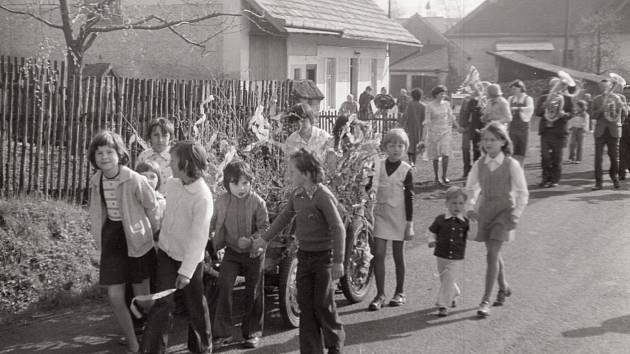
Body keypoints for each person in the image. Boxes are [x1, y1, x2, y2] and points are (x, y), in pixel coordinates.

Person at [253, 149, 346, 354]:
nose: (290, 175)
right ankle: (310, 350)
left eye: (293, 171)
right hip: (304, 257)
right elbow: (283, 218)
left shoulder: (323, 196)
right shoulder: (297, 195)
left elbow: (338, 228)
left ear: (306, 173)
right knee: (306, 305)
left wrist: (339, 260)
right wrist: (263, 239)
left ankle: (334, 343)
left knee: (323, 304)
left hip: (324, 259)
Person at [88, 131, 161, 354]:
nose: (104, 157)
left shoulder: (134, 179)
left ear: (120, 154)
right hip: (112, 239)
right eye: (99, 152)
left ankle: (158, 324)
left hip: (137, 240)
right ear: (93, 157)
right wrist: (98, 239)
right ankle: (134, 344)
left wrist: (151, 233)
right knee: (114, 296)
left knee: (144, 299)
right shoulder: (96, 180)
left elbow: (152, 207)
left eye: (109, 151)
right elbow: (97, 212)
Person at [141, 141, 213, 354]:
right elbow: (164, 211)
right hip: (166, 253)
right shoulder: (172, 184)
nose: (170, 164)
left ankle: (203, 347)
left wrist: (186, 272)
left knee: (195, 306)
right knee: (162, 303)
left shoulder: (202, 196)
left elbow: (199, 238)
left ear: (186, 164)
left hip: (189, 260)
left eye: (173, 161)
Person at [465, 122, 529, 318]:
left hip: (504, 211)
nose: (488, 143)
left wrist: (516, 215)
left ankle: (485, 300)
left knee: (492, 254)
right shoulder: (479, 164)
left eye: (493, 139)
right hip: (485, 211)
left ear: (503, 141)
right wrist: (469, 207)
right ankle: (503, 287)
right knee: (493, 252)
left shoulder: (511, 164)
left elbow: (522, 193)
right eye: (485, 139)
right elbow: (471, 188)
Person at [210, 160, 269, 349]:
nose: (241, 187)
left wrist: (252, 241)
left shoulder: (258, 202)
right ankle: (223, 332)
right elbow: (212, 223)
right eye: (235, 183)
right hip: (232, 252)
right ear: (227, 184)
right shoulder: (221, 201)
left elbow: (265, 228)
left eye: (245, 182)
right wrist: (211, 242)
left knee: (253, 291)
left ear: (251, 181)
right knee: (224, 286)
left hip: (254, 253)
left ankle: (252, 332)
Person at [367, 128, 414, 311]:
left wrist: (409, 224)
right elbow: (371, 185)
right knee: (378, 254)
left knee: (397, 255)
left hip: (399, 216)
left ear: (405, 148)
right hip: (380, 214)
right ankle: (380, 294)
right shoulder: (378, 164)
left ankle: (399, 292)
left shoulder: (406, 170)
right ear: (385, 147)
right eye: (392, 145)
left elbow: (410, 198)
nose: (396, 149)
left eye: (400, 145)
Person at [428, 186, 469, 317]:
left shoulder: (465, 222)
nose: (457, 206)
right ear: (446, 204)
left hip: (456, 256)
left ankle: (443, 305)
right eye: (454, 203)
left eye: (461, 203)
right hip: (441, 254)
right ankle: (455, 292)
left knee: (449, 277)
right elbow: (432, 231)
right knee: (445, 278)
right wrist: (431, 240)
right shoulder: (440, 219)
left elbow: (473, 234)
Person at [534, 77, 575, 188]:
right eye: (554, 86)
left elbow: (572, 113)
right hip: (546, 131)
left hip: (559, 132)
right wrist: (544, 106)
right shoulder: (544, 98)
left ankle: (554, 180)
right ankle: (545, 179)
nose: (556, 88)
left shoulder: (566, 98)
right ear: (550, 87)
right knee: (545, 157)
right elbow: (537, 112)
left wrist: (564, 114)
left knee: (557, 158)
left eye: (559, 86)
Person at [592, 79, 627, 190]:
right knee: (598, 158)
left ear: (610, 86)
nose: (604, 89)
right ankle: (598, 182)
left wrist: (622, 107)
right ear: (599, 87)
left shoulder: (619, 98)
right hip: (600, 132)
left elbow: (625, 115)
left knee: (614, 158)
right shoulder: (596, 99)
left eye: (606, 86)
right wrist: (601, 110)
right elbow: (592, 115)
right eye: (602, 87)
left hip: (614, 131)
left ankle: (614, 178)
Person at [424, 85, 460, 185]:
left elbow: (451, 116)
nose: (443, 95)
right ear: (436, 95)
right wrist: (424, 136)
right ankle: (436, 177)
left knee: (446, 153)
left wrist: (458, 127)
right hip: (434, 132)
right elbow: (427, 121)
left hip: (445, 131)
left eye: (444, 93)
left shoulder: (447, 104)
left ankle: (444, 176)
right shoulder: (429, 106)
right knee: (435, 155)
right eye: (441, 93)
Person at [136, 118, 174, 195]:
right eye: (156, 135)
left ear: (170, 138)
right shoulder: (144, 156)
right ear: (150, 137)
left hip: (171, 201)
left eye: (164, 136)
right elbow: (137, 180)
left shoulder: (175, 157)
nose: (160, 140)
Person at [507, 80, 534, 166]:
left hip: (523, 128)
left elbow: (530, 109)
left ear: (520, 88)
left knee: (521, 151)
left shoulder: (528, 99)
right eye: (512, 89)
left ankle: (520, 169)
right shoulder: (510, 99)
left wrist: (517, 109)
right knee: (512, 150)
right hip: (513, 128)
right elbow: (507, 111)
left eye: (514, 89)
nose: (513, 91)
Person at [459, 87, 484, 178]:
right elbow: (462, 113)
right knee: (465, 149)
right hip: (466, 127)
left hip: (476, 128)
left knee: (476, 149)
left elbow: (482, 115)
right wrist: (461, 125)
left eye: (474, 92)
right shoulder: (465, 101)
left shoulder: (481, 100)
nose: (471, 94)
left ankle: (475, 169)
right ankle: (466, 170)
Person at [400, 88, 425, 165]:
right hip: (419, 129)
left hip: (409, 127)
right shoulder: (423, 106)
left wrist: (401, 124)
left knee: (410, 144)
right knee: (416, 145)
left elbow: (405, 116)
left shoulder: (410, 104)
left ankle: (410, 161)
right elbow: (424, 119)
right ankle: (414, 161)